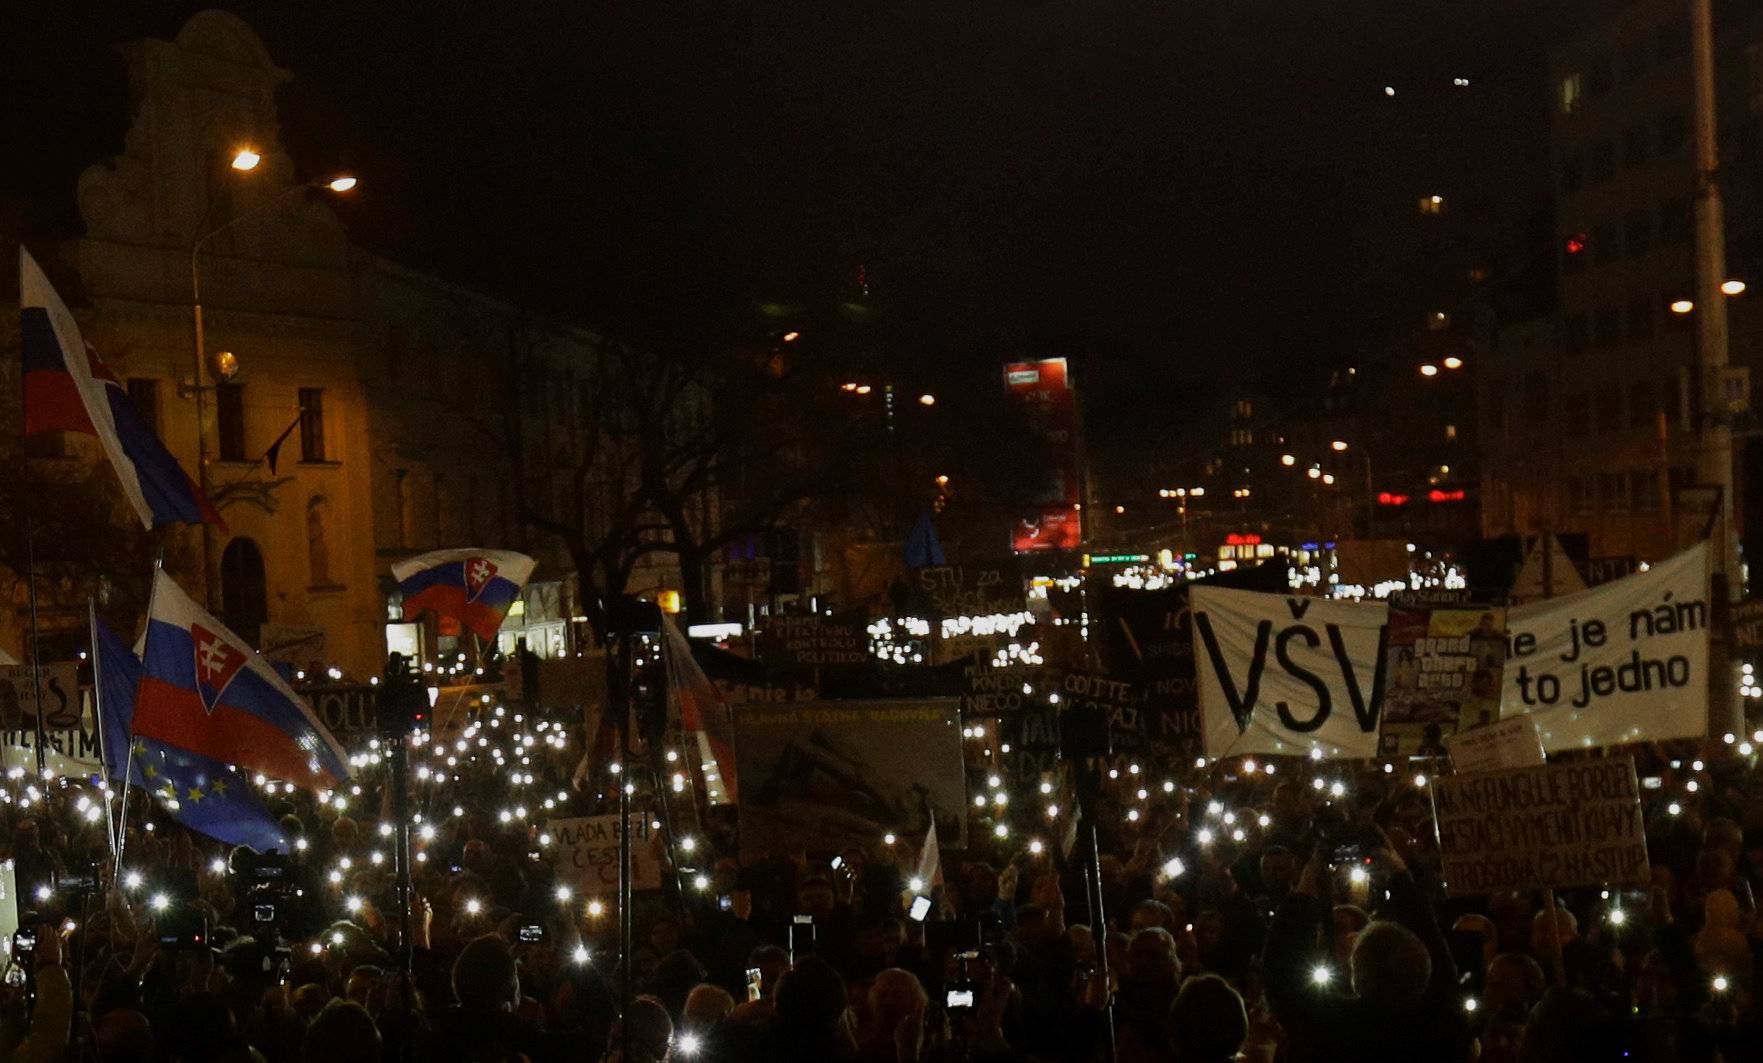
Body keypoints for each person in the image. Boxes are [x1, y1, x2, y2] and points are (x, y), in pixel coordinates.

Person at [1263, 846, 1473, 1061]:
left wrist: (1308, 879)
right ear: (1424, 965)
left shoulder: (1334, 1030)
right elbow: (1440, 959)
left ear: (1358, 974)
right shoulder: (1444, 1028)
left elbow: (1282, 972)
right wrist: (1401, 876)